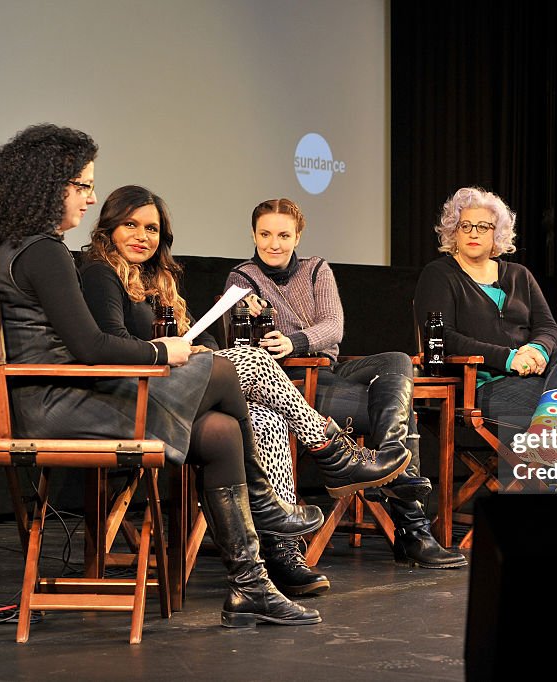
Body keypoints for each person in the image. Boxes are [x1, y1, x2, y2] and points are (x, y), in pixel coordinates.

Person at [0, 125, 400, 628]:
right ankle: (287, 486)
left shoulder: (12, 247)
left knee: (219, 433)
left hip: (59, 400)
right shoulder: (43, 251)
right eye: (82, 186)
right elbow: (92, 347)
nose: (88, 198)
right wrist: (162, 349)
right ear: (50, 185)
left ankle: (250, 586)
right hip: (59, 406)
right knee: (219, 366)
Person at [79, 185, 410, 595]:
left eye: (151, 228)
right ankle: (331, 452)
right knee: (254, 360)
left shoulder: (153, 279)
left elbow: (211, 343)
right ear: (109, 227)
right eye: (130, 225)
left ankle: (281, 552)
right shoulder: (100, 272)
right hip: (137, 397)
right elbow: (110, 344)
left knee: (265, 415)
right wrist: (171, 349)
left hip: (171, 390)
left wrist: (196, 347)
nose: (142, 236)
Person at [226, 198, 467, 569]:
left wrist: (296, 340)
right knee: (404, 415)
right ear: (253, 234)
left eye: (284, 235)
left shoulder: (316, 269)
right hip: (288, 383)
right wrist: (245, 312)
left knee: (398, 361)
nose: (274, 244)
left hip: (331, 370)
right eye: (265, 234)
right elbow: (236, 345)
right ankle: (413, 530)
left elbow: (333, 327)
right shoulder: (241, 279)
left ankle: (386, 464)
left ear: (298, 235)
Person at [413, 186, 557, 488]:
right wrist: (510, 358)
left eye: (483, 227)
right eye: (466, 226)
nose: (474, 233)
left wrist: (539, 350)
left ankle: (545, 430)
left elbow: (549, 328)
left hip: (533, 375)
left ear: (496, 234)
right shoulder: (440, 274)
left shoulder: (519, 275)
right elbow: (445, 337)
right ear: (454, 232)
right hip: (483, 384)